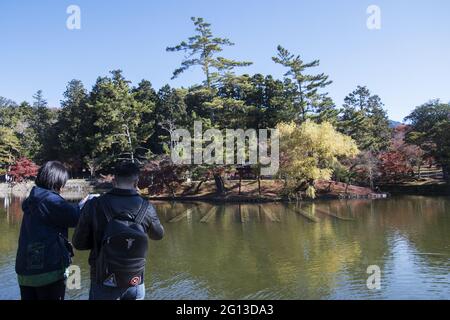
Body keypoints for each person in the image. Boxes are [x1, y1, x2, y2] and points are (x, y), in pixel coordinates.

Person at [73, 162, 164, 300]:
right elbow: (158, 235)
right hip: (135, 280)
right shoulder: (146, 207)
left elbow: (78, 243)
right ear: (136, 181)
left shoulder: (94, 205)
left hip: (103, 280)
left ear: (114, 180)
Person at [15, 161, 81, 300]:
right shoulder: (50, 200)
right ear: (56, 180)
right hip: (48, 270)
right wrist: (87, 203)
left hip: (25, 270)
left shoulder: (34, 198)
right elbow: (76, 218)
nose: (62, 186)